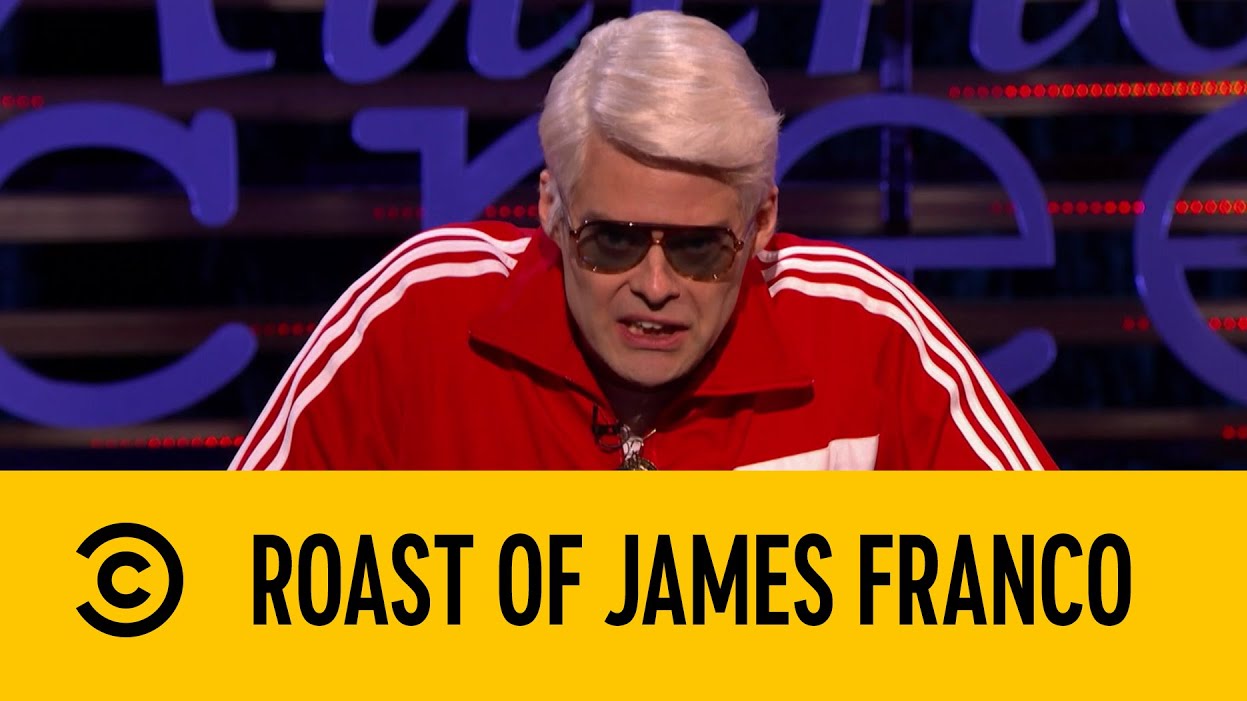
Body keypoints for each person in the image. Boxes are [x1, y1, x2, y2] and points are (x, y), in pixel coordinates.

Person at [232, 10, 1056, 471]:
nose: (655, 286)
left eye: (699, 249)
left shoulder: (868, 337)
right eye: (613, 241)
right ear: (552, 208)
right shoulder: (418, 317)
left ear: (761, 223)